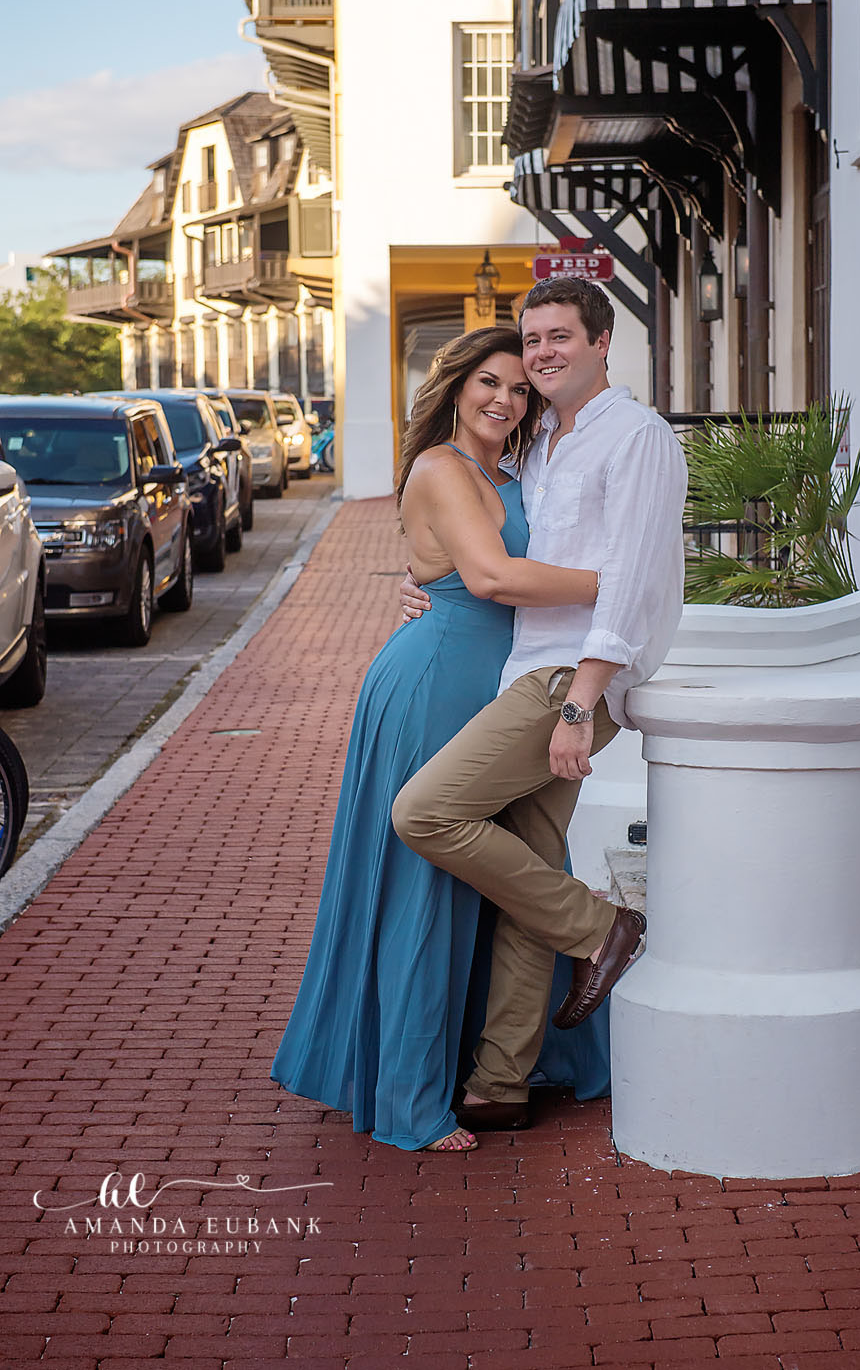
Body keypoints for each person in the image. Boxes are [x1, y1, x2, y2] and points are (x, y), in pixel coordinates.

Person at [271, 325, 609, 1154]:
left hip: (514, 683)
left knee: (522, 864)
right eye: (487, 383)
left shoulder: (520, 468)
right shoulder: (438, 467)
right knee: (427, 881)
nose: (503, 400)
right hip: (435, 683)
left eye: (519, 389)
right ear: (455, 387)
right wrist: (632, 583)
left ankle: (508, 1065)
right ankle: (415, 1098)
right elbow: (489, 578)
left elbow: (485, 562)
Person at [393, 276, 687, 1134]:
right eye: (533, 341)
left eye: (560, 336)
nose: (542, 354)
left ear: (602, 342)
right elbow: (469, 541)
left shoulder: (633, 436)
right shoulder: (539, 445)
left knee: (426, 813)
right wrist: (414, 586)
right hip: (526, 667)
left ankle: (602, 929)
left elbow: (631, 578)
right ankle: (499, 1082)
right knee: (530, 858)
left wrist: (579, 703)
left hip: (565, 679)